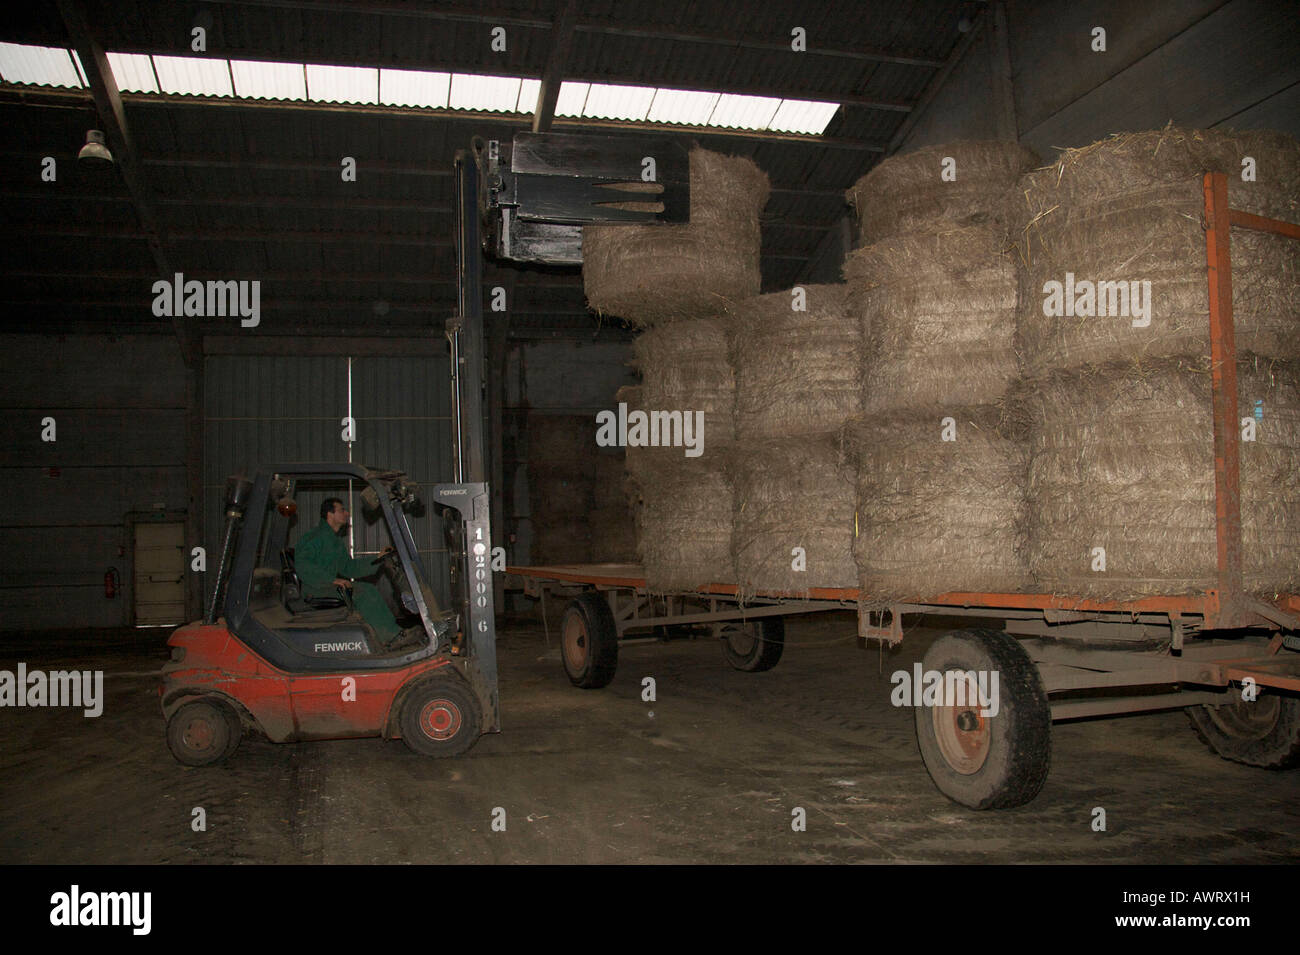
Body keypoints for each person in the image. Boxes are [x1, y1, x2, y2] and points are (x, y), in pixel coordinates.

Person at [295, 497, 402, 646]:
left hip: (326, 586)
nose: (346, 513)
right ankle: (392, 637)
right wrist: (331, 580)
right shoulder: (315, 538)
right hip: (315, 588)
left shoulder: (334, 541)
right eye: (342, 510)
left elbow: (349, 568)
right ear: (330, 514)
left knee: (367, 589)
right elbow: (302, 564)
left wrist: (378, 558)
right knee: (365, 593)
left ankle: (385, 635)